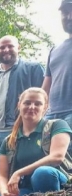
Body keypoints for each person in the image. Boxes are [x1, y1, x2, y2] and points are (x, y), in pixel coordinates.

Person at [0, 88, 71, 196]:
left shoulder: (56, 126)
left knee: (42, 173)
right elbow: (2, 175)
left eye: (38, 103)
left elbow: (57, 157)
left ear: (45, 107)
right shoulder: (10, 140)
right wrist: (4, 193)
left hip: (59, 184)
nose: (32, 107)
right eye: (27, 102)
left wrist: (19, 173)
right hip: (28, 189)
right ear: (19, 105)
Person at [0, 36, 44, 193]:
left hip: (14, 130)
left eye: (10, 46)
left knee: (19, 173)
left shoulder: (32, 69)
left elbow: (43, 100)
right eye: (2, 47)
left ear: (19, 47)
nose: (6, 50)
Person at [42, 0, 72, 129]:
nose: (69, 16)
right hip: (51, 115)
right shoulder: (54, 50)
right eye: (65, 12)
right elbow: (45, 88)